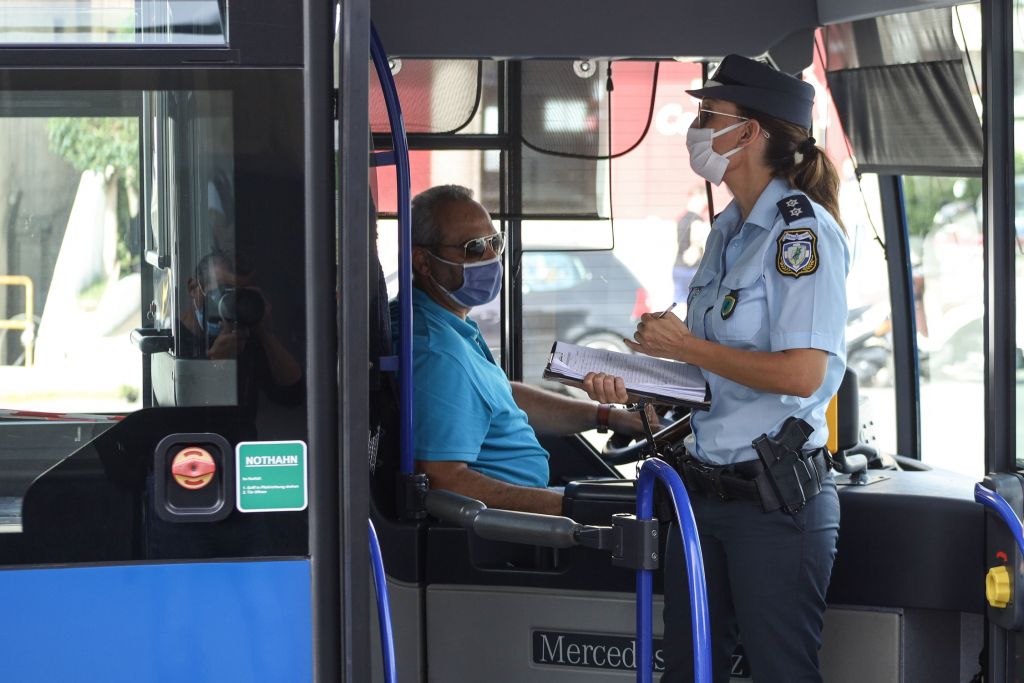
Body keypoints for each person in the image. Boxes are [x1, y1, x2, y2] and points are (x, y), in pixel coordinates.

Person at [582, 55, 849, 683]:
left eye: (710, 116)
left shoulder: (798, 234)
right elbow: (717, 379)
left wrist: (688, 348)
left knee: (779, 671)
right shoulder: (728, 232)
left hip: (772, 503)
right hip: (704, 493)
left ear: (750, 132)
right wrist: (646, 386)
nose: (697, 128)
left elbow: (802, 375)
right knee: (689, 670)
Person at [391, 184, 654, 516]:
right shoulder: (437, 354)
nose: (490, 258)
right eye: (473, 249)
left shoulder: (443, 319)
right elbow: (444, 480)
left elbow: (500, 396)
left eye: (494, 243)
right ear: (423, 262)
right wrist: (571, 508)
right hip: (508, 532)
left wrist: (609, 416)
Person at [673, 191, 711, 303]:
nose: (705, 206)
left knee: (678, 302)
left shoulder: (682, 218)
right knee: (690, 304)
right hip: (690, 268)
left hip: (678, 266)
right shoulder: (697, 220)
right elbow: (696, 241)